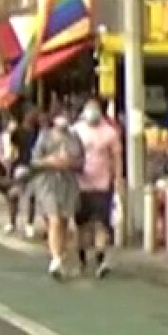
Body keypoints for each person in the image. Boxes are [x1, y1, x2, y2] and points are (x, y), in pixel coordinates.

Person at [73, 100, 123, 278]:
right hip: (81, 184)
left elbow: (117, 157)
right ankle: (82, 260)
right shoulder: (76, 130)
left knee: (102, 223)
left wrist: (118, 180)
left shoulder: (110, 132)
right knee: (82, 226)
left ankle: (101, 259)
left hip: (103, 184)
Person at [31, 115, 84, 279]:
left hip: (68, 183)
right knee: (53, 218)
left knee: (63, 221)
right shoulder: (44, 137)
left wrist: (69, 162)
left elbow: (81, 162)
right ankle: (55, 259)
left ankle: (60, 254)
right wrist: (49, 161)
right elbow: (34, 161)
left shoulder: (74, 138)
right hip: (47, 182)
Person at [0, 112, 39, 236]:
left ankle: (15, 223)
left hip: (23, 165)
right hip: (28, 165)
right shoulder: (37, 132)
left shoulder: (21, 131)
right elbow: (13, 147)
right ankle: (25, 224)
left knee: (17, 196)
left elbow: (12, 148)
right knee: (25, 196)